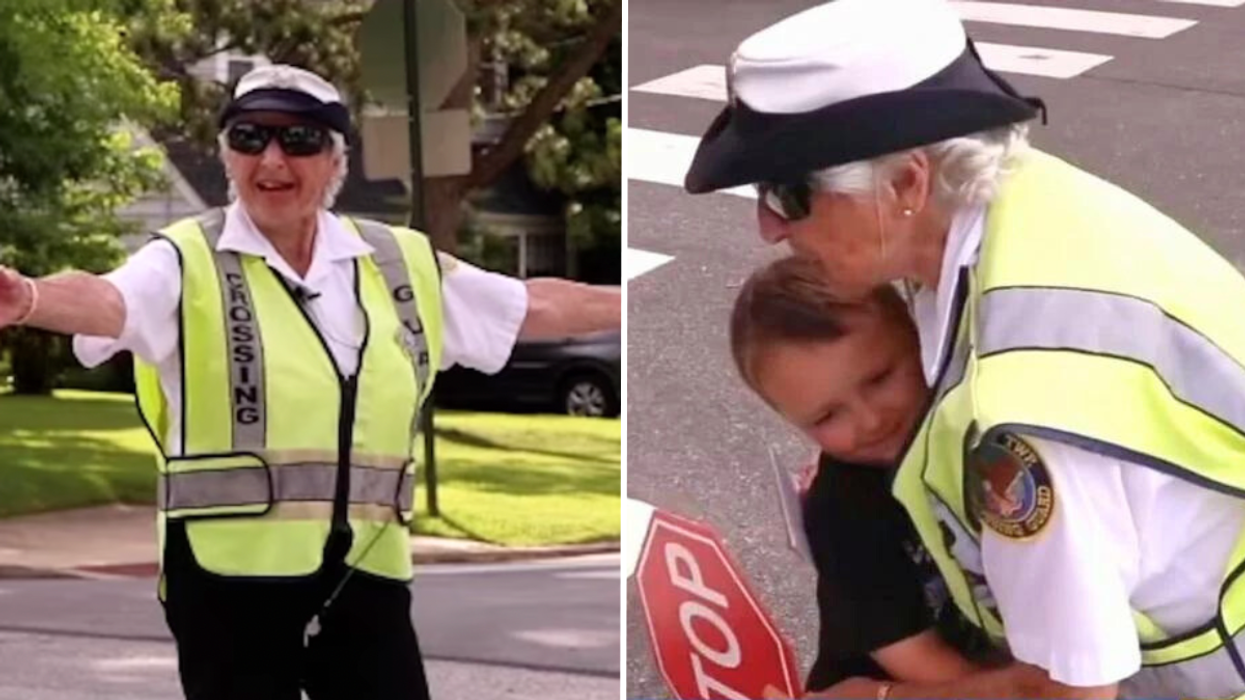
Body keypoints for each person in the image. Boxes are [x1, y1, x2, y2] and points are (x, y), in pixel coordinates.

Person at [0, 64, 620, 700]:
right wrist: (28, 298)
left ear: (335, 161)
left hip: (365, 575)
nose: (271, 159)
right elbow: (108, 301)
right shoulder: (184, 257)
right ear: (226, 155)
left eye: (298, 140)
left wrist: (640, 301)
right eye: (248, 138)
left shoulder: (395, 261)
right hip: (228, 581)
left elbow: (528, 306)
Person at [685, 0, 1245, 697]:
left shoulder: (1021, 417)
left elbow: (1067, 692)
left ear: (906, 183)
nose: (768, 226)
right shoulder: (1034, 203)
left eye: (789, 192)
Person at [730, 256, 1002, 694]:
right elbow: (916, 659)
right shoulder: (841, 513)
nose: (871, 420)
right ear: (793, 421)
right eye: (828, 416)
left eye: (879, 378)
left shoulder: (973, 430)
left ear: (918, 336)